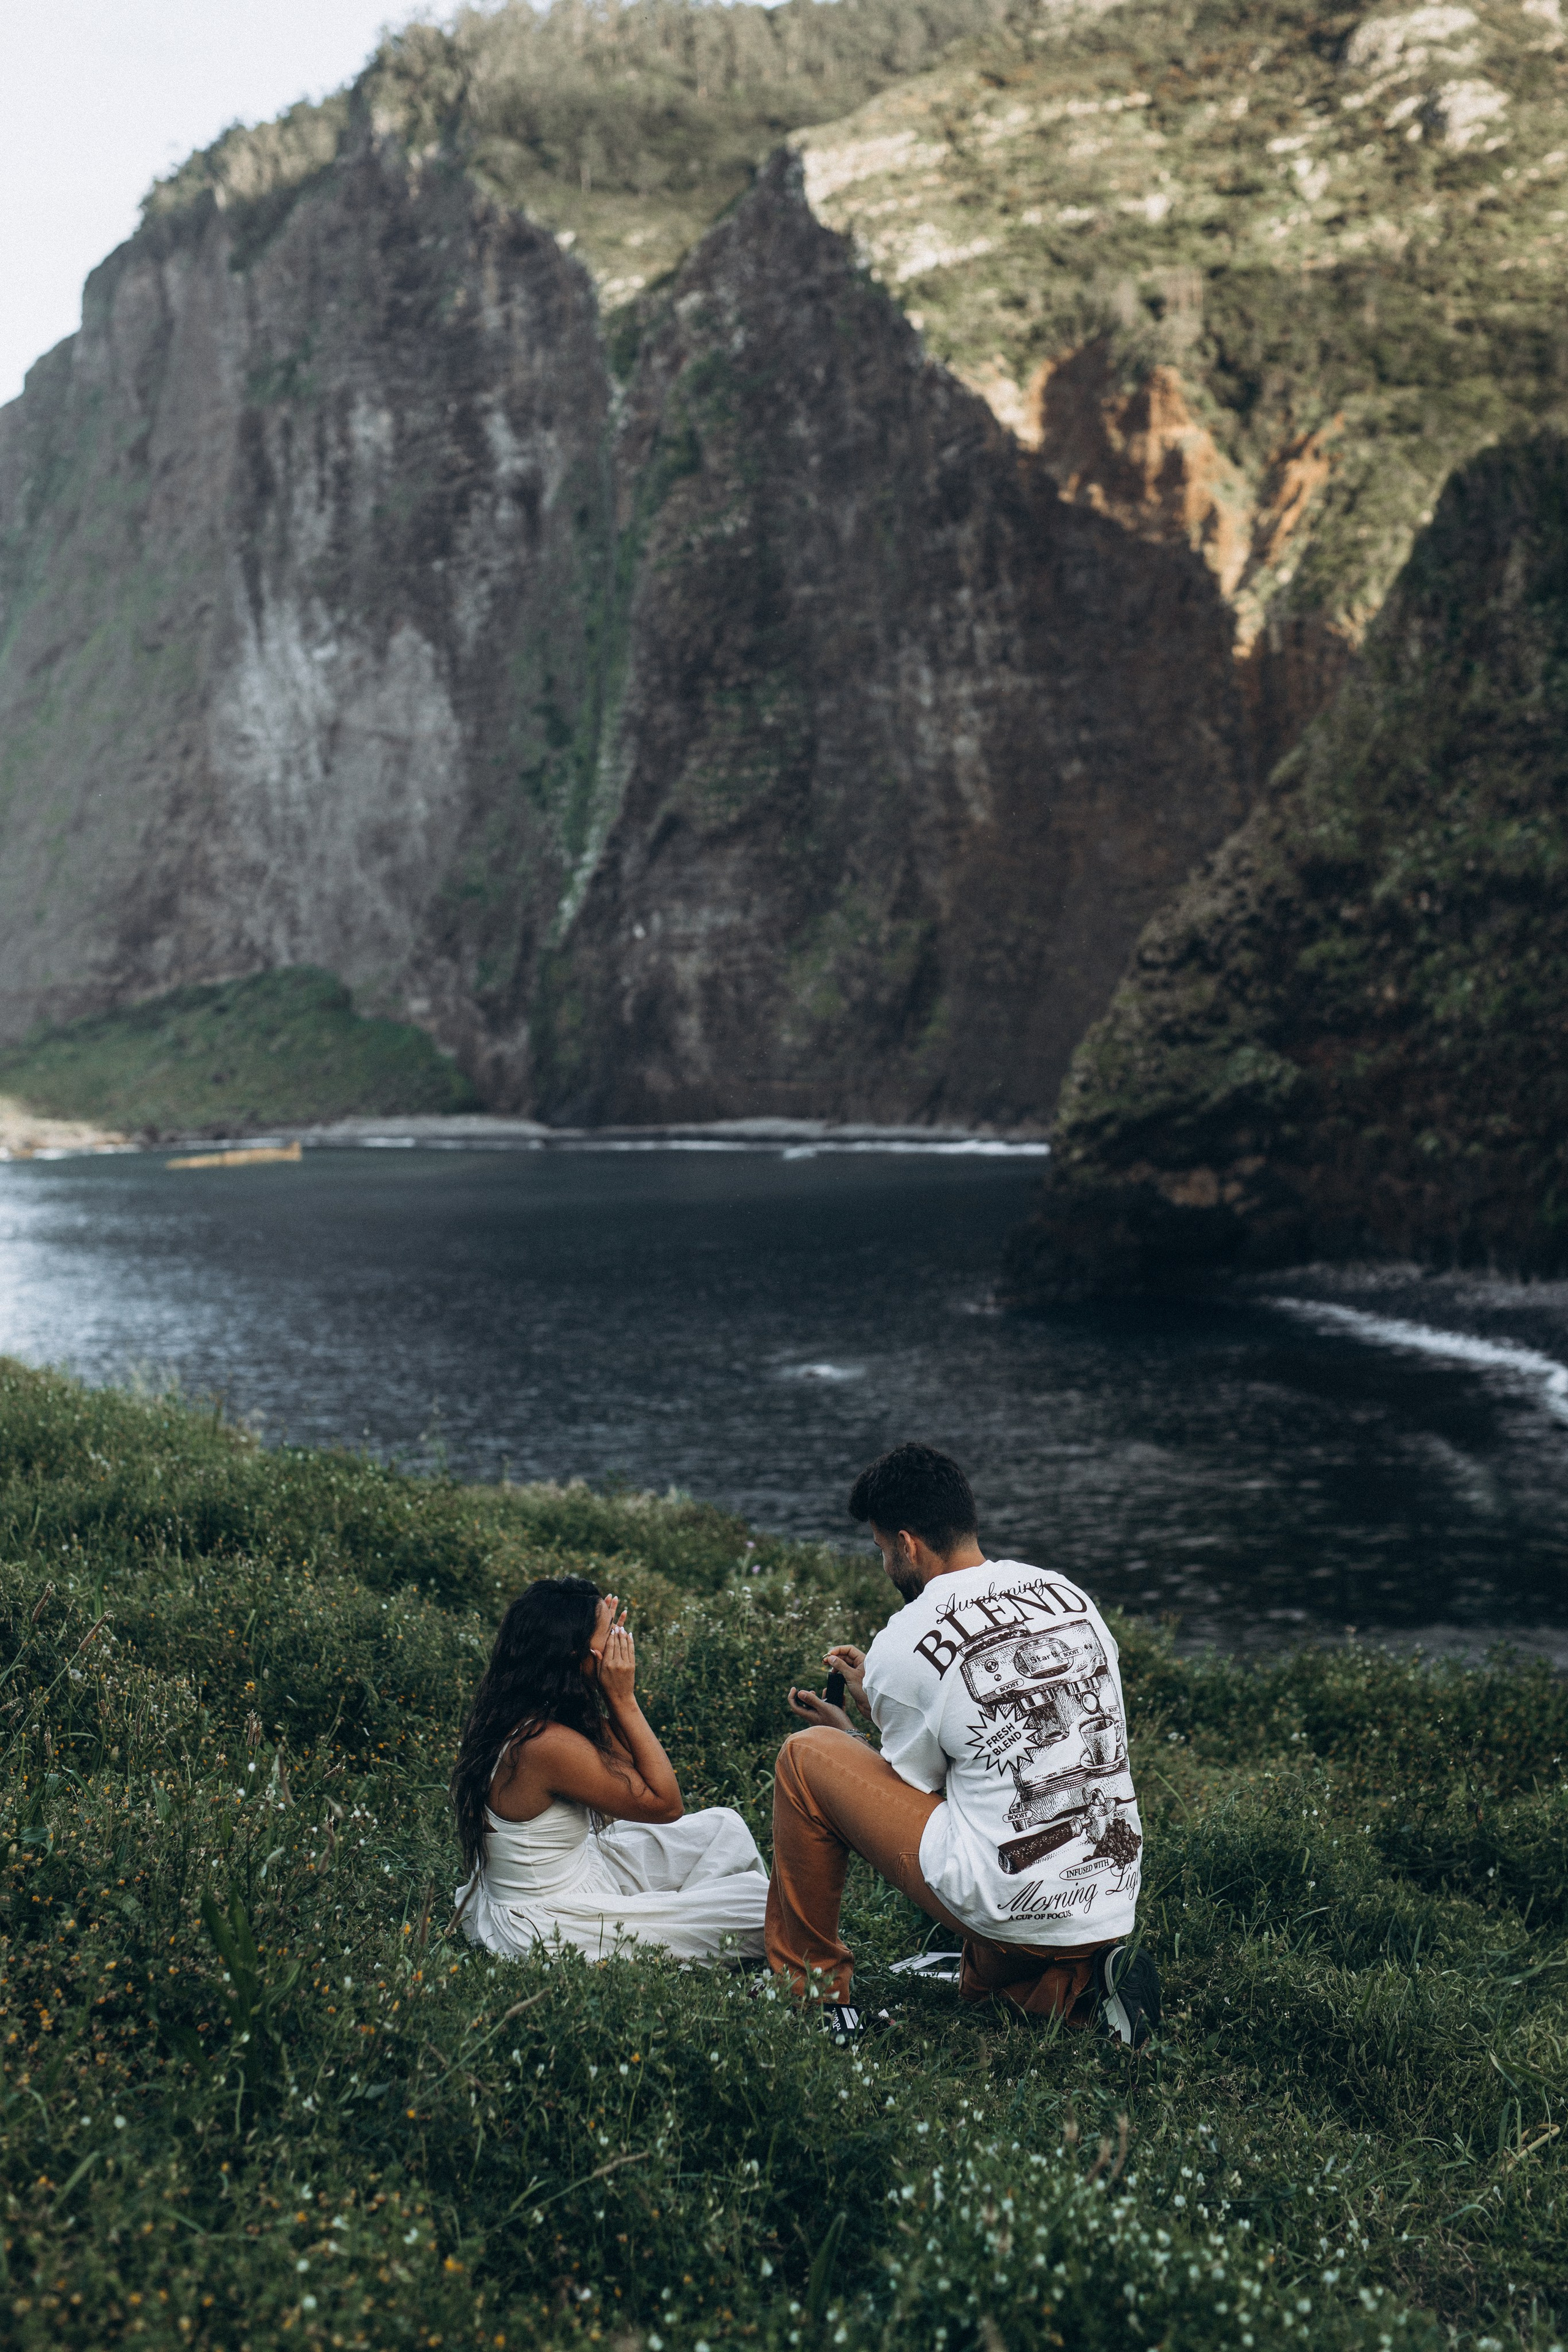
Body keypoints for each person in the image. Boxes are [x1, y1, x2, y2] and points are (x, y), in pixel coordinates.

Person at [767, 1443, 1160, 2045]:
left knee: (805, 1756)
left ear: (906, 1543)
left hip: (1010, 1890)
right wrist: (883, 1701)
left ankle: (809, 1998)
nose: (884, 1564)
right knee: (981, 1988)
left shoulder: (904, 1638)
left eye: (880, 1550)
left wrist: (847, 1734)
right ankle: (1084, 1985)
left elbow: (916, 1793)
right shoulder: (1065, 1592)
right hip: (1108, 1890)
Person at [452, 1574, 767, 1964]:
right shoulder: (545, 1745)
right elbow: (665, 1805)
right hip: (549, 1923)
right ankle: (691, 1923)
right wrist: (624, 1698)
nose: (620, 1642)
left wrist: (601, 1684)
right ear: (575, 1656)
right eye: (610, 1634)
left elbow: (630, 1767)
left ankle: (686, 1916)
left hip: (581, 1871)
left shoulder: (534, 1706)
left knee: (725, 1827)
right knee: (765, 1909)